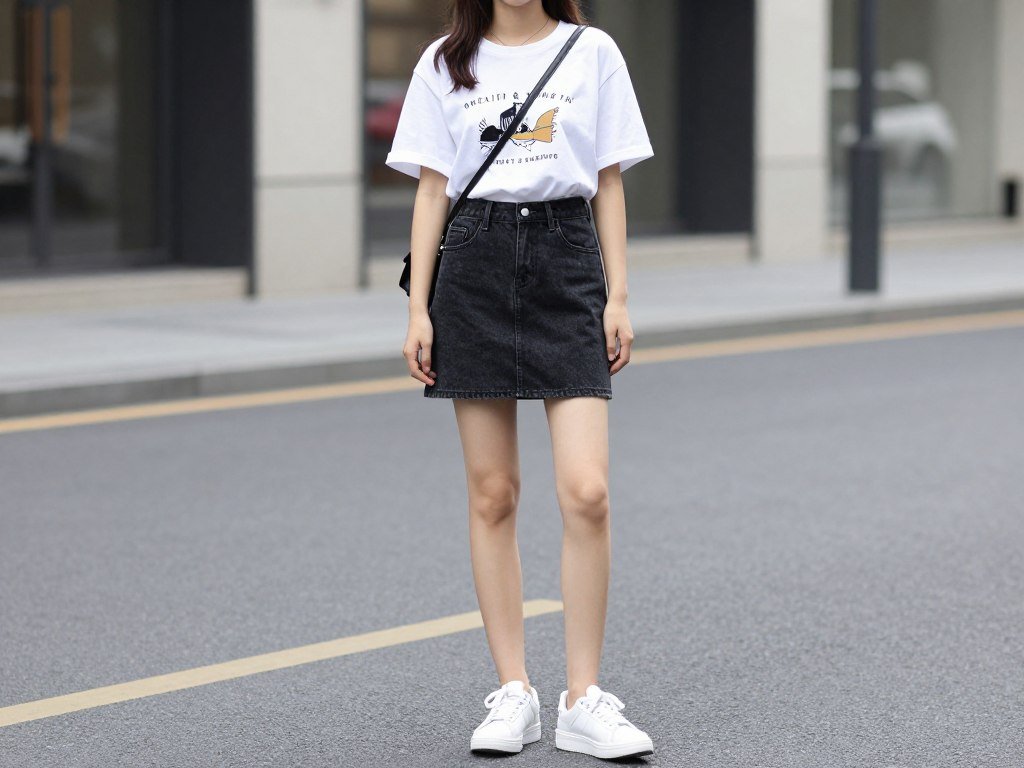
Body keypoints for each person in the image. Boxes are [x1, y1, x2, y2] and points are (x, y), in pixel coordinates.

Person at [385, 0, 654, 760]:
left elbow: (607, 179)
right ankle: (515, 692)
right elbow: (433, 191)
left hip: (567, 261)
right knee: (493, 492)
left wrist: (619, 295)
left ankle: (583, 697)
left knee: (587, 490)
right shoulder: (445, 62)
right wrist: (418, 310)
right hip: (472, 267)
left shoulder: (591, 50)